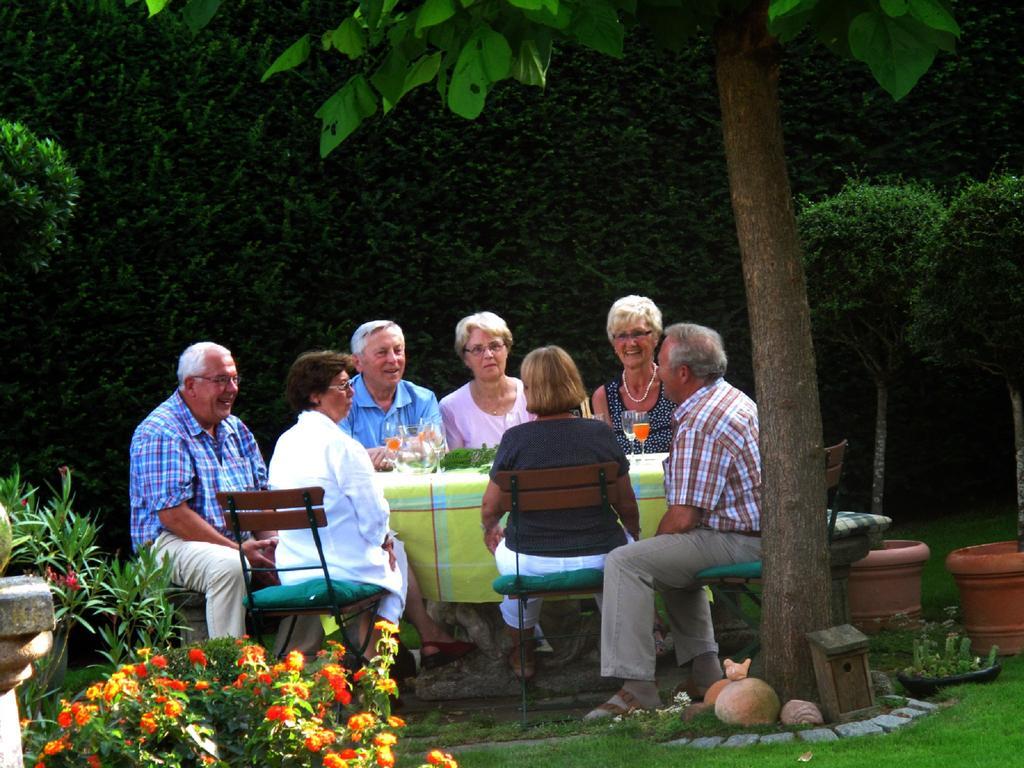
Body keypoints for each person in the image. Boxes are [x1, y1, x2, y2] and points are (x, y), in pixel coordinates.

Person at [586, 323, 761, 719]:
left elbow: (682, 517)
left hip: (743, 539)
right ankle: (706, 673)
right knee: (669, 556)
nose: (657, 371)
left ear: (683, 373)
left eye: (661, 364)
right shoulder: (729, 397)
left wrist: (652, 546)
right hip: (754, 531)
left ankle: (637, 689)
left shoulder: (701, 420)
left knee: (626, 561)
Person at [270, 350, 475, 667]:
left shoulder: (285, 442)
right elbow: (373, 511)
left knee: (392, 550)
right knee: (394, 555)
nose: (351, 393)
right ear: (315, 396)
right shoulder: (343, 446)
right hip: (340, 566)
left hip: (295, 564)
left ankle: (396, 655)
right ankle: (381, 663)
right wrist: (384, 542)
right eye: (342, 386)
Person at [480, 346, 640, 680]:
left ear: (529, 389)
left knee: (515, 569)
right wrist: (633, 534)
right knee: (621, 556)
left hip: (531, 557)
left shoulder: (515, 440)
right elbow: (626, 504)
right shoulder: (600, 433)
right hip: (600, 554)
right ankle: (626, 655)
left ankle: (523, 652)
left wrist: (490, 528)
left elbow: (489, 507)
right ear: (573, 383)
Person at [129, 341, 277, 639]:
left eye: (234, 379)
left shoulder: (236, 429)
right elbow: (173, 516)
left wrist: (274, 544)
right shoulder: (163, 431)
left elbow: (259, 500)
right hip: (168, 543)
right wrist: (237, 549)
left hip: (236, 540)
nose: (232, 388)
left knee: (307, 558)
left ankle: (300, 659)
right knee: (230, 567)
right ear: (190, 385)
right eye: (221, 380)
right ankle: (230, 671)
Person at [340, 320, 441, 470]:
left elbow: (436, 449)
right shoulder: (340, 400)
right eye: (382, 353)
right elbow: (337, 458)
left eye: (398, 350)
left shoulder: (423, 399)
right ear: (358, 362)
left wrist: (387, 452)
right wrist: (410, 448)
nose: (393, 359)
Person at [591, 296, 676, 455]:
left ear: (655, 337)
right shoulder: (603, 397)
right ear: (614, 344)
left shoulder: (674, 386)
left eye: (638, 333)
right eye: (622, 335)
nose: (630, 343)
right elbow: (607, 457)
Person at [439, 311, 533, 449]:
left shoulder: (531, 395)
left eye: (495, 346)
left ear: (507, 349)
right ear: (465, 359)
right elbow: (454, 467)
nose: (488, 355)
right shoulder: (451, 408)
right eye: (477, 349)